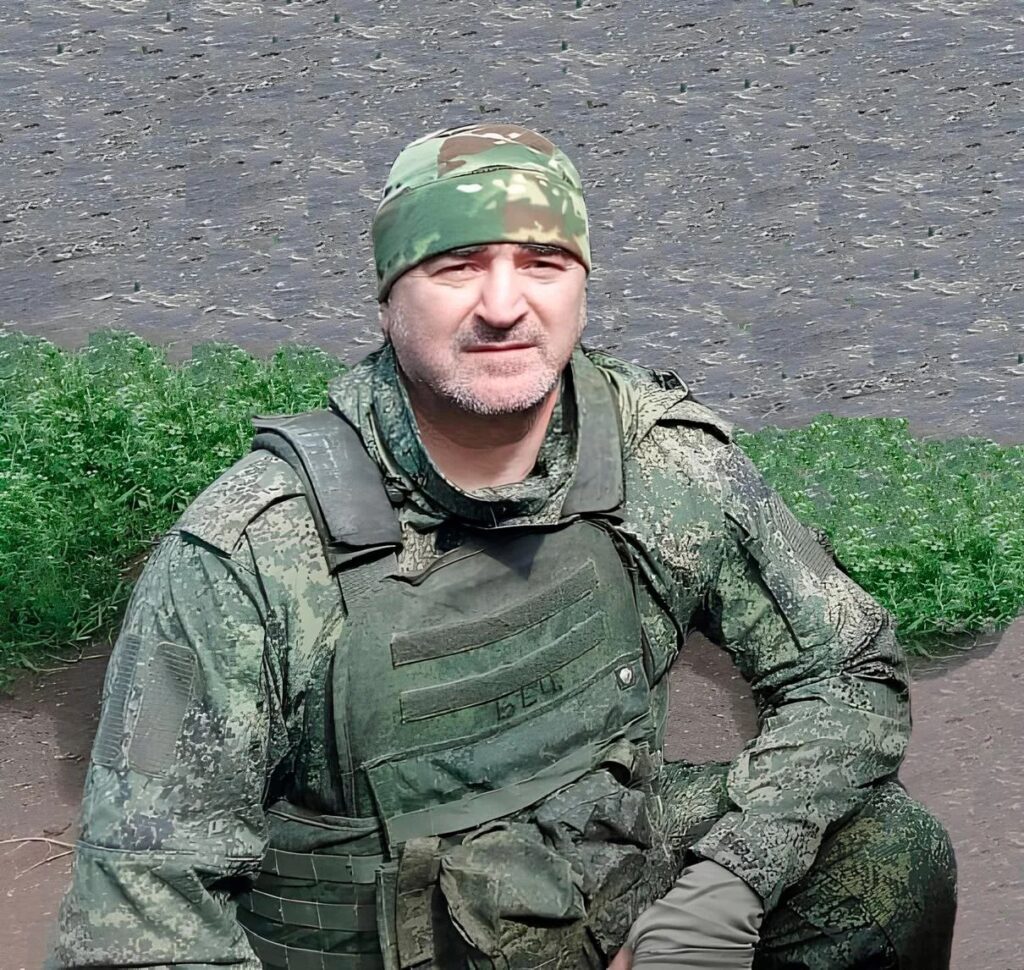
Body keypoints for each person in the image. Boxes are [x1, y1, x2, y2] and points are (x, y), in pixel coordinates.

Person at [50, 123, 956, 970]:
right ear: (389, 300)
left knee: (888, 857)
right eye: (456, 266)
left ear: (581, 289)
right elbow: (141, 913)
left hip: (606, 894)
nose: (503, 305)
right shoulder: (252, 551)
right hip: (375, 947)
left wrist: (723, 891)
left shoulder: (660, 461)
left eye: (542, 264)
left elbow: (848, 670)